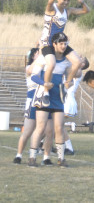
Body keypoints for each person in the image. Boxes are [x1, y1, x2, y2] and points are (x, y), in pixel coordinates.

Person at [28, 33, 78, 168]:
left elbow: (71, 75)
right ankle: (32, 157)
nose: (63, 46)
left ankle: (61, 159)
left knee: (59, 128)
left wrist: (71, 79)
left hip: (57, 97)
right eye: (61, 43)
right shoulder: (46, 58)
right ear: (54, 44)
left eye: (65, 43)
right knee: (40, 127)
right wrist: (44, 84)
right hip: (44, 95)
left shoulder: (67, 60)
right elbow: (33, 76)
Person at [40, 0, 90, 107]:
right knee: (51, 64)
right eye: (64, 0)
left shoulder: (68, 11)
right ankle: (46, 92)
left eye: (68, 0)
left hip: (61, 42)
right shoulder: (52, 9)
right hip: (48, 43)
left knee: (77, 62)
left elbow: (86, 11)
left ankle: (66, 86)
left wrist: (82, 2)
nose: (66, 2)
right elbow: (49, 1)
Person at [13, 48, 53, 166]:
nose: (39, 54)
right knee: (28, 130)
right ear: (32, 56)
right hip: (32, 98)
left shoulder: (44, 66)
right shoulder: (29, 67)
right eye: (36, 53)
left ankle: (46, 156)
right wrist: (41, 55)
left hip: (43, 97)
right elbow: (31, 71)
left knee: (49, 130)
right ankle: (18, 155)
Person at [63, 56, 89, 155]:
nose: (79, 57)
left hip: (68, 101)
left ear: (82, 65)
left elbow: (72, 71)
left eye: (81, 58)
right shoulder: (73, 68)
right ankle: (64, 147)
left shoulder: (79, 72)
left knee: (57, 124)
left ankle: (69, 148)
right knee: (56, 124)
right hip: (64, 98)